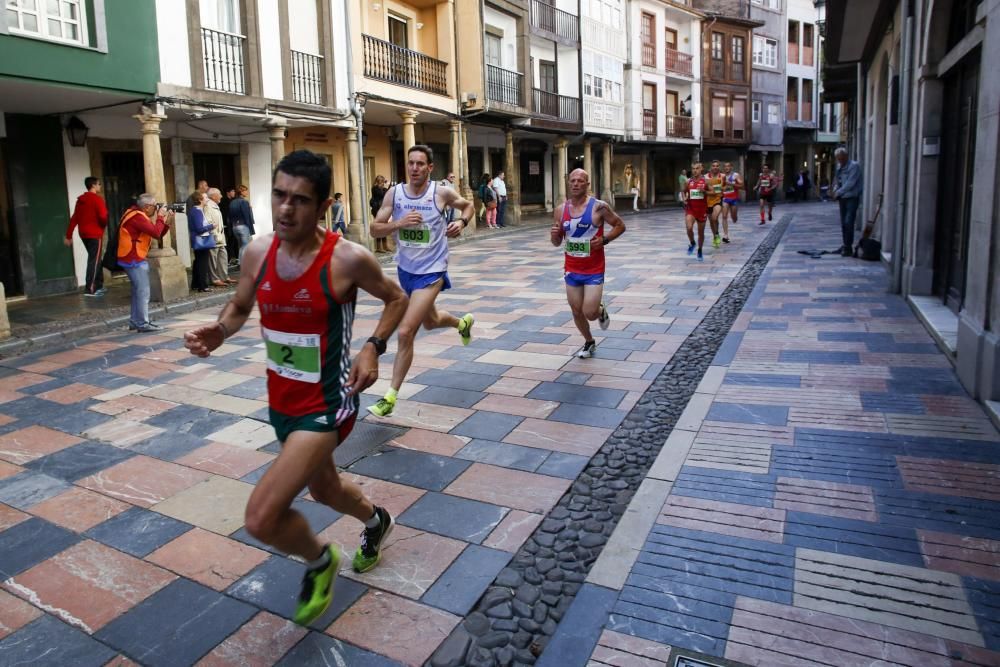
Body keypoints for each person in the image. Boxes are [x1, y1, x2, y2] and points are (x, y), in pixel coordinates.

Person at [184, 149, 409, 627]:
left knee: (262, 517)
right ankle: (377, 520)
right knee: (325, 489)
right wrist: (220, 331)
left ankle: (320, 560)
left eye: (301, 200)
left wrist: (372, 346)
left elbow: (396, 298)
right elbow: (241, 306)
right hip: (281, 402)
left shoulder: (347, 259)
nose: (286, 208)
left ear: (324, 206)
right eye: (280, 196)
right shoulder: (257, 252)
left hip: (329, 403)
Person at [368, 144, 476, 417]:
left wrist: (461, 223)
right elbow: (374, 229)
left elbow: (468, 205)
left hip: (433, 271)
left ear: (430, 168)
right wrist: (398, 224)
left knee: (406, 331)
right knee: (430, 320)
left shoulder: (440, 193)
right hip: (406, 271)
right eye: (410, 163)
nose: (414, 168)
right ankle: (462, 323)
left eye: (420, 164)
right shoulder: (395, 194)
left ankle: (390, 397)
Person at [551, 169, 625, 359]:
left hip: (594, 268)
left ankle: (599, 309)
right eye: (572, 181)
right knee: (576, 311)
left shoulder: (599, 207)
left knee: (589, 313)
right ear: (568, 183)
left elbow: (620, 225)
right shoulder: (560, 210)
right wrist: (554, 236)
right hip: (572, 268)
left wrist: (605, 240)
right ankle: (589, 341)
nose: (575, 184)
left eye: (580, 181)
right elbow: (557, 242)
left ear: (587, 184)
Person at [117, 194, 173, 332]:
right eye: (155, 206)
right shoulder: (137, 217)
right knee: (143, 292)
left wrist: (167, 223)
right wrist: (160, 217)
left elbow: (157, 233)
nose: (156, 208)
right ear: (147, 207)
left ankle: (135, 321)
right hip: (134, 258)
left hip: (130, 257)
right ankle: (142, 323)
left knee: (138, 291)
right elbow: (155, 232)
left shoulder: (134, 214)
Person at [64, 176, 109, 297]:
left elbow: (74, 218)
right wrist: (102, 227)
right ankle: (90, 289)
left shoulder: (81, 200)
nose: (100, 186)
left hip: (84, 234)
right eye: (99, 184)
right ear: (93, 185)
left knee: (95, 258)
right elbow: (103, 216)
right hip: (95, 234)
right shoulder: (97, 199)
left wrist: (69, 235)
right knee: (94, 261)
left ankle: (99, 285)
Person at [832, 147, 863, 257]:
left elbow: (850, 183)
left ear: (846, 156)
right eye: (838, 159)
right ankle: (846, 245)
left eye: (842, 159)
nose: (840, 161)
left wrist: (838, 192)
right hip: (842, 199)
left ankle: (848, 246)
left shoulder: (854, 166)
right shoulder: (839, 167)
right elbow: (837, 181)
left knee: (848, 222)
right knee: (844, 223)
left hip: (851, 198)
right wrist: (835, 190)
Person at [188, 191, 216, 293]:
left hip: (198, 239)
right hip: (201, 239)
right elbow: (199, 228)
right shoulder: (197, 211)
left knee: (198, 262)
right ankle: (203, 286)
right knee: (202, 263)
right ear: (200, 200)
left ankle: (196, 284)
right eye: (204, 198)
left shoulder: (196, 210)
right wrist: (211, 226)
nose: (206, 199)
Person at [206, 188, 233, 286]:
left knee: (223, 256)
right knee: (213, 259)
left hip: (220, 237)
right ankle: (214, 279)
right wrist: (215, 234)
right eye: (219, 194)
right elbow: (208, 221)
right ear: (213, 196)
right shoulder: (208, 206)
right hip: (214, 237)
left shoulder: (215, 205)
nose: (221, 196)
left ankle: (224, 277)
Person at [684, 162, 709, 262]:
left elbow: (713, 192)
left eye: (697, 168)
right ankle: (692, 242)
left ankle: (700, 249)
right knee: (689, 227)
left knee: (701, 232)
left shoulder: (705, 181)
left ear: (701, 169)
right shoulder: (688, 181)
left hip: (702, 209)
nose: (695, 170)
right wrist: (685, 198)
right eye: (693, 168)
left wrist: (705, 192)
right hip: (691, 209)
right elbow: (684, 191)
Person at [230, 185, 256, 263]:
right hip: (243, 226)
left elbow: (230, 216)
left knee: (241, 245)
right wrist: (251, 229)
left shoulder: (232, 202)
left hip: (235, 226)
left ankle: (242, 262)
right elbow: (246, 216)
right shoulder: (244, 202)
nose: (247, 192)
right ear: (241, 192)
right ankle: (242, 263)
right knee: (245, 245)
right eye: (245, 190)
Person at [721, 162, 743, 244]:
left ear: (731, 167)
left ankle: (734, 217)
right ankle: (725, 235)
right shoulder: (722, 176)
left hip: (734, 198)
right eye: (725, 166)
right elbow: (720, 187)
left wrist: (731, 184)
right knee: (724, 216)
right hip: (725, 198)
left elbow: (741, 186)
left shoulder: (736, 175)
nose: (726, 168)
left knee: (734, 217)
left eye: (728, 166)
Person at [705, 160, 725, 248]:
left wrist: (722, 189)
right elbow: (704, 187)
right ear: (711, 167)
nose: (715, 167)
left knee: (714, 217)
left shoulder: (723, 176)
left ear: (719, 167)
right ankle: (715, 236)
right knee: (711, 220)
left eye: (717, 166)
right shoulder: (705, 177)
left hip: (718, 199)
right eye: (713, 165)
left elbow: (725, 186)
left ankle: (716, 234)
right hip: (708, 201)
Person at [370, 175, 389, 253]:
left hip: (383, 209)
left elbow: (387, 193)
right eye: (382, 181)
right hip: (377, 209)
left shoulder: (382, 188)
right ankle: (378, 247)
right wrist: (385, 188)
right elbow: (382, 194)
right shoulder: (375, 188)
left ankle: (385, 246)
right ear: (379, 181)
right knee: (379, 227)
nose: (383, 183)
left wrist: (388, 186)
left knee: (384, 227)